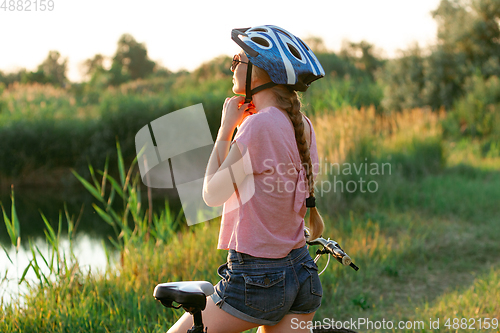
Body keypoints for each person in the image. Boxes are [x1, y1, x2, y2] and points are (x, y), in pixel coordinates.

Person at [168, 25, 326, 333]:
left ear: (259, 71)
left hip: (258, 280)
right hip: (302, 274)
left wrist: (226, 129)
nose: (232, 66)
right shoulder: (302, 125)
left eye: (237, 60)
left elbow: (211, 195)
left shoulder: (256, 127)